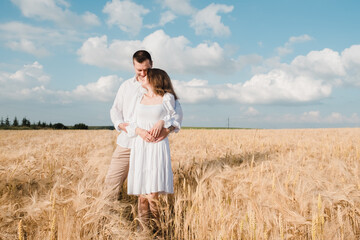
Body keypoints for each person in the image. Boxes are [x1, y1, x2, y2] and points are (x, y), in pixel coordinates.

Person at [105, 50, 183, 200]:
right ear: (133, 66)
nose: (142, 73)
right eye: (139, 70)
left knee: (148, 192)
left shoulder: (160, 85)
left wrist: (167, 129)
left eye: (146, 70)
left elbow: (177, 111)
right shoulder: (126, 86)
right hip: (127, 143)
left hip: (151, 146)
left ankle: (147, 224)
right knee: (111, 185)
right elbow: (115, 111)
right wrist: (124, 126)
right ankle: (108, 220)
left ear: (152, 65)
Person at [126, 68, 180, 228]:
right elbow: (130, 121)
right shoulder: (138, 97)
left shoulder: (167, 98)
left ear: (155, 79)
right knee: (142, 196)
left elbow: (176, 117)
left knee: (152, 194)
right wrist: (139, 131)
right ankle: (143, 231)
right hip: (141, 145)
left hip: (157, 147)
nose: (141, 77)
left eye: (146, 76)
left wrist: (162, 122)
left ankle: (158, 230)